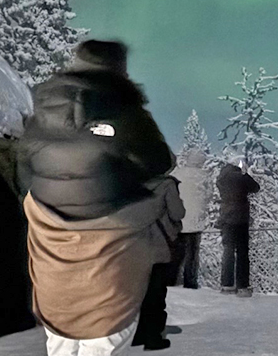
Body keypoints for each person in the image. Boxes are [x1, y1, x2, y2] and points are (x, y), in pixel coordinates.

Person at [17, 39, 176, 356]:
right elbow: (160, 161)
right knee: (104, 340)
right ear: (119, 69)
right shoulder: (125, 111)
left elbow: (23, 175)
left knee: (61, 342)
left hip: (52, 258)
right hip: (110, 257)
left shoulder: (42, 112)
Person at [133, 176, 185, 350]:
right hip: (158, 245)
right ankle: (153, 337)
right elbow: (178, 213)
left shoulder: (131, 181)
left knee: (139, 293)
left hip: (134, 246)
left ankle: (138, 334)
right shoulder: (166, 184)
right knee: (156, 293)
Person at [216, 161, 261, 297]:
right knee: (242, 252)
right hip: (241, 218)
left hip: (226, 218)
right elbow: (255, 187)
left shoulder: (221, 179)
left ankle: (226, 284)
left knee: (228, 251)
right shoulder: (241, 177)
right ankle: (242, 286)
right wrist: (245, 173)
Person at [170, 159, 209, 289]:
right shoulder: (203, 175)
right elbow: (208, 195)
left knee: (176, 252)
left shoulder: (178, 174)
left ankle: (172, 280)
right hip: (195, 222)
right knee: (192, 254)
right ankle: (190, 282)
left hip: (179, 220)